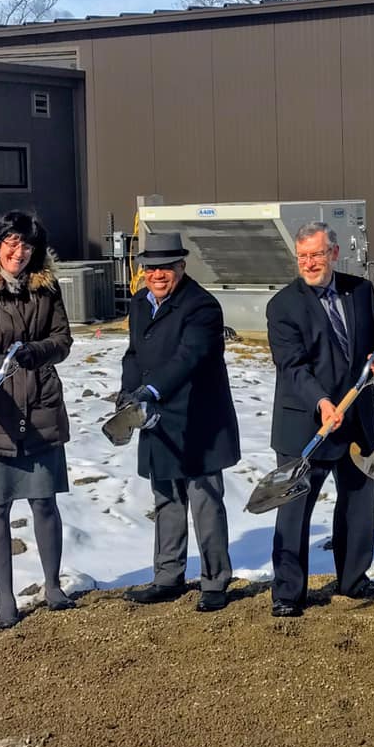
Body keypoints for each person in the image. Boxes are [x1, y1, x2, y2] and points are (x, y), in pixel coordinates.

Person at [266, 221, 374, 618]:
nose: (309, 263)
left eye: (317, 255)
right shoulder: (283, 305)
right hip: (306, 424)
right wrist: (322, 402)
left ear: (334, 254)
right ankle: (288, 593)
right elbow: (292, 367)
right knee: (294, 509)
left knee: (357, 503)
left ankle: (354, 580)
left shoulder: (360, 291)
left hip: (356, 420)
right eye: (302, 256)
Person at [0, 210, 75, 630]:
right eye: (12, 242)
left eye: (26, 245)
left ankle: (53, 586)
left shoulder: (45, 286)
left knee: (44, 501)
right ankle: (6, 599)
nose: (19, 252)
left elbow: (62, 340)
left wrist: (35, 353)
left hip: (39, 402)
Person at [120, 231, 240, 612]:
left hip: (198, 419)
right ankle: (168, 576)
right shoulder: (140, 303)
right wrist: (128, 391)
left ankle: (215, 581)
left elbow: (188, 358)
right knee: (166, 497)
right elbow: (134, 354)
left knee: (205, 500)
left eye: (166, 267)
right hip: (156, 417)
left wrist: (150, 390)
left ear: (181, 267)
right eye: (151, 268)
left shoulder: (202, 306)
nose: (157, 274)